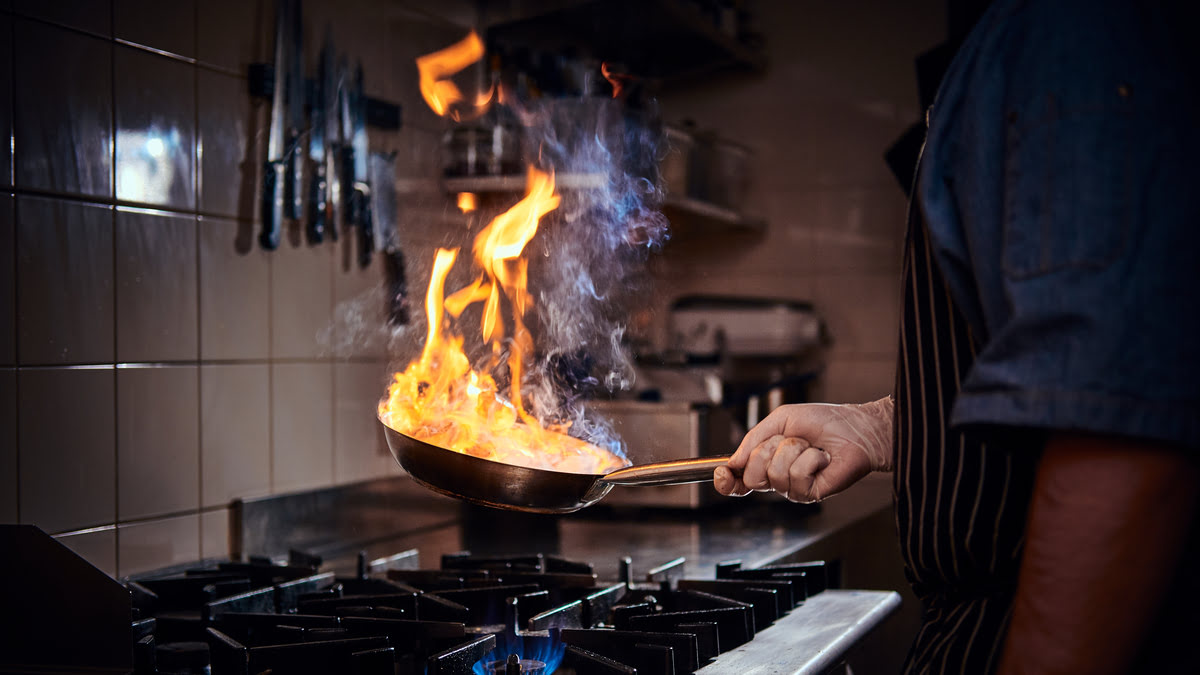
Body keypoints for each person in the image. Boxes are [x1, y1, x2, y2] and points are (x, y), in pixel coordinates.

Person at [714, 0, 1200, 672]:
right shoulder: (1016, 42)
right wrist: (885, 426)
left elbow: (1117, 427)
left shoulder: (1073, 27)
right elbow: (1051, 369)